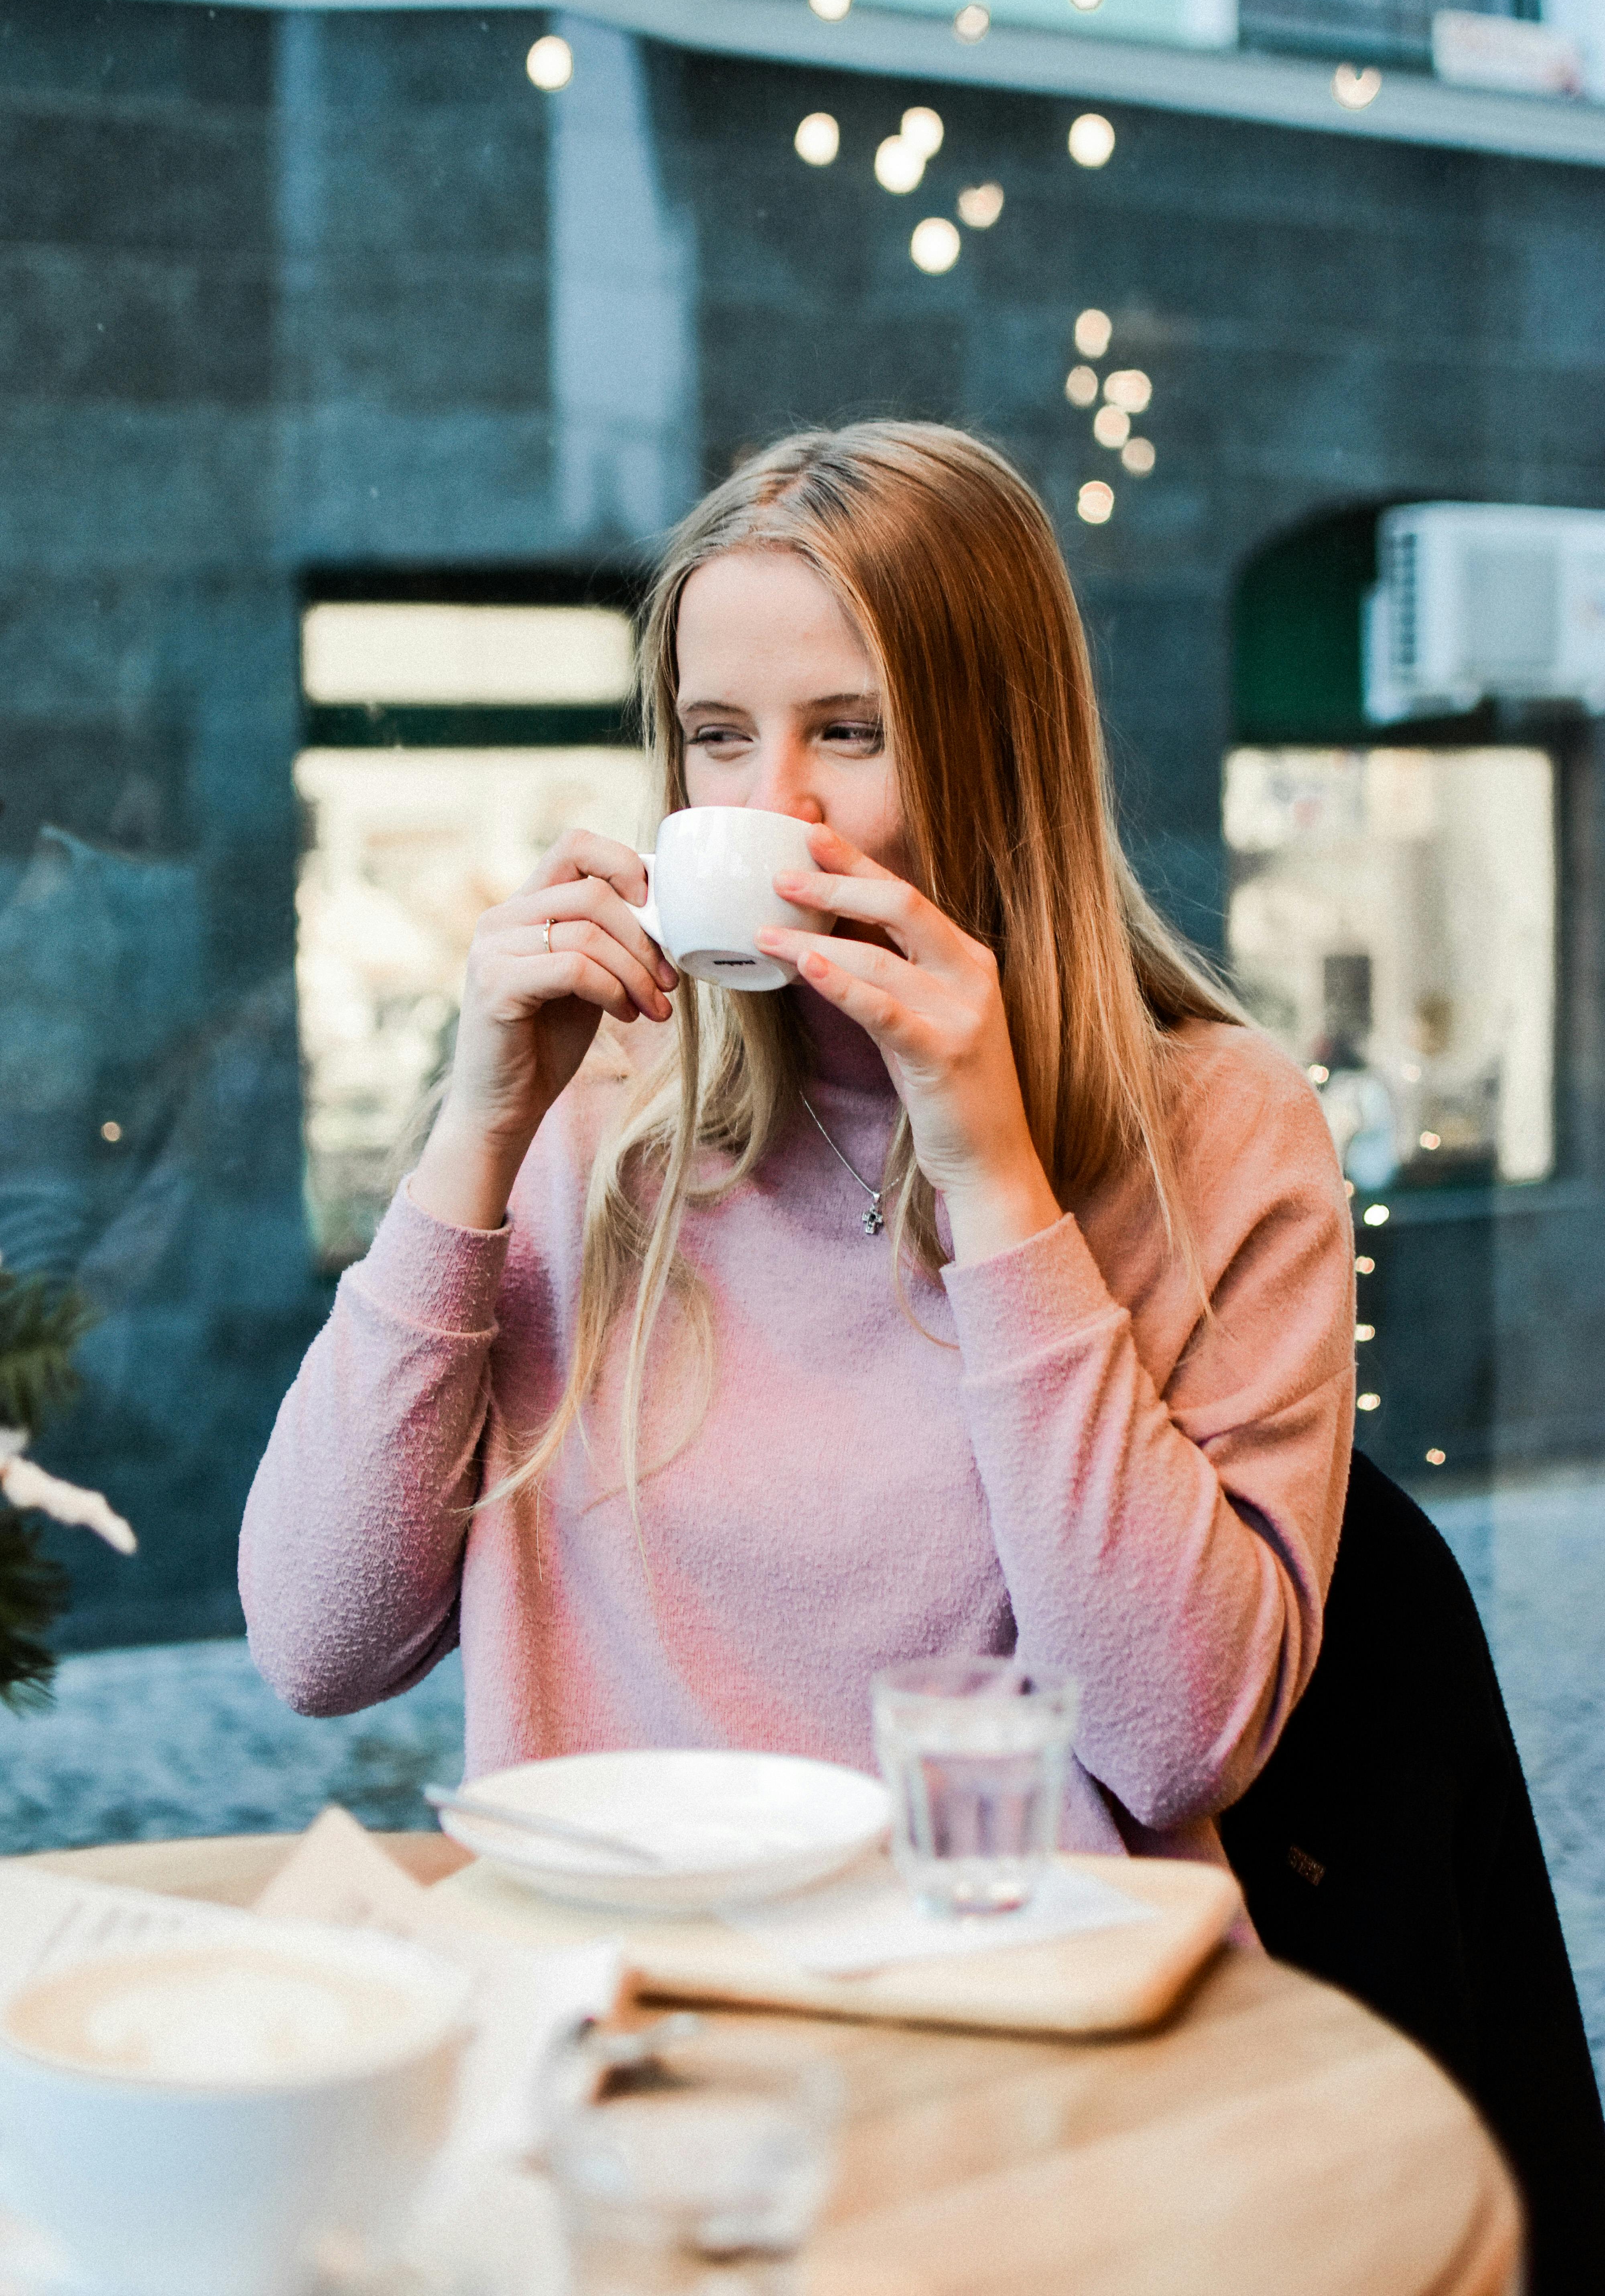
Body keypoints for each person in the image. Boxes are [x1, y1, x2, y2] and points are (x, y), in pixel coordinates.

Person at [241, 422, 1355, 1868]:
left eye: (851, 730)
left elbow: (1178, 1740)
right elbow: (321, 1645)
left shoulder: (1219, 1127)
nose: (772, 806)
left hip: (1004, 2026)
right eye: (718, 738)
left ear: (1005, 760)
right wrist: (475, 1139)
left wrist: (995, 1180)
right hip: (624, 2012)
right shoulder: (590, 1107)